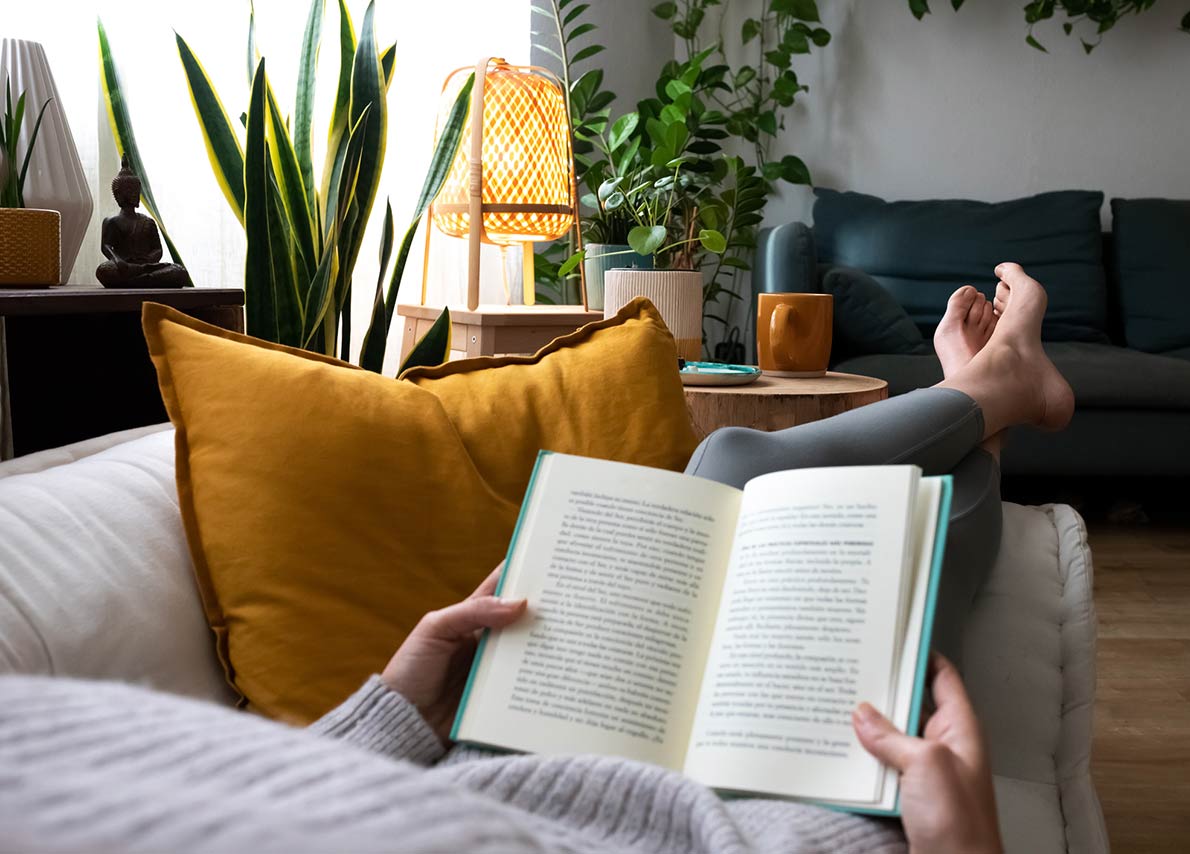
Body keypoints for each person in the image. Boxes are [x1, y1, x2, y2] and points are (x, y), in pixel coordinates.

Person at [0, 264, 1072, 853]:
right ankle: (983, 403)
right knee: (799, 497)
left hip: (520, 740)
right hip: (765, 808)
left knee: (728, 462)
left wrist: (396, 703)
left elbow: (257, 789)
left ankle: (984, 403)